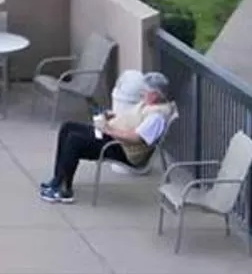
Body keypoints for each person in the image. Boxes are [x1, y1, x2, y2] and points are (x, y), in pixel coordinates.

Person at [41, 70, 174, 203]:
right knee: (68, 127)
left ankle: (64, 191)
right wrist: (112, 116)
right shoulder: (148, 104)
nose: (142, 93)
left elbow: (136, 138)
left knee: (74, 140)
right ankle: (58, 179)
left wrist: (109, 130)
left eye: (146, 91)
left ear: (156, 95)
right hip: (114, 137)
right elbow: (131, 119)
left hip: (122, 149)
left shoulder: (156, 117)